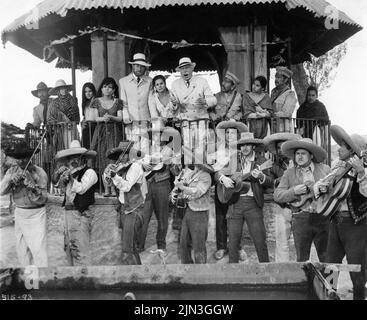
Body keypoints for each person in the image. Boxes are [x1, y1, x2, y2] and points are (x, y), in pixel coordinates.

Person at [314, 125, 367, 300]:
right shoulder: (338, 167)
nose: (339, 148)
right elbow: (322, 184)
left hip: (356, 224)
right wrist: (321, 188)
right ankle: (330, 294)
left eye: (343, 146)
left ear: (352, 150)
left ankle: (359, 296)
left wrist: (361, 172)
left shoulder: (363, 169)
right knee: (331, 263)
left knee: (356, 265)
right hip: (335, 221)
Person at [274, 138, 331, 262]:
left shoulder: (325, 169)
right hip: (301, 218)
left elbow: (335, 192)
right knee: (301, 259)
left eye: (303, 153)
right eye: (297, 154)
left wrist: (327, 189)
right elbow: (277, 195)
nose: (299, 157)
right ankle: (305, 282)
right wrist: (293, 191)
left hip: (323, 217)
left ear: (311, 155)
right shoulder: (289, 173)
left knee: (327, 257)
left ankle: (329, 282)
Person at [219, 132, 273, 263]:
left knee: (260, 241)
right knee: (233, 243)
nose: (245, 148)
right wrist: (223, 178)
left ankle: (266, 274)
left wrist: (261, 177)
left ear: (253, 146)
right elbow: (218, 172)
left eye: (248, 144)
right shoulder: (233, 159)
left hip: (253, 204)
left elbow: (270, 182)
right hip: (234, 204)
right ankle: (233, 275)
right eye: (242, 145)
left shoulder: (262, 161)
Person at [0, 141, 48, 267]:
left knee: (39, 250)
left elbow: (43, 199)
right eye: (18, 158)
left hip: (36, 214)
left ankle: (42, 282)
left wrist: (33, 186)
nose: (21, 162)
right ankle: (29, 282)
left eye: (24, 158)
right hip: (20, 213)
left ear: (30, 157)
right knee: (23, 251)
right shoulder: (11, 171)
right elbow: (1, 191)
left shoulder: (39, 172)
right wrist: (10, 180)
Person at [52, 140, 98, 266]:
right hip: (68, 213)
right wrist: (59, 174)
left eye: (77, 157)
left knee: (81, 249)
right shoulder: (69, 173)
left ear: (83, 159)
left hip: (81, 214)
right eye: (71, 158)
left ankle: (85, 278)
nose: (73, 161)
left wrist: (70, 178)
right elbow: (57, 185)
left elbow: (81, 189)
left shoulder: (90, 172)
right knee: (69, 248)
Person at [138, 127, 181, 255]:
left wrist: (173, 165)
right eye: (155, 135)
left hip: (163, 184)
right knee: (143, 216)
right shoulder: (146, 150)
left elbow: (176, 172)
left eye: (161, 135)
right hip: (147, 185)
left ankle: (161, 245)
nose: (158, 138)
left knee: (162, 218)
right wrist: (142, 165)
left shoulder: (171, 150)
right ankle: (139, 245)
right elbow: (136, 164)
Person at [212, 120, 249, 261]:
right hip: (221, 187)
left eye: (233, 133)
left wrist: (236, 178)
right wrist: (221, 177)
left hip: (237, 187)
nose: (230, 135)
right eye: (227, 133)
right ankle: (221, 246)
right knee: (221, 217)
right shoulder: (218, 151)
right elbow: (213, 170)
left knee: (237, 217)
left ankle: (238, 247)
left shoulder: (242, 151)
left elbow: (245, 170)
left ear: (237, 134)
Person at [107, 141, 148, 265]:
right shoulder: (121, 168)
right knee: (130, 247)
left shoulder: (135, 167)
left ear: (130, 155)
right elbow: (110, 183)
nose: (120, 158)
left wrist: (114, 176)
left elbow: (126, 186)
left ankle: (136, 279)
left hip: (135, 210)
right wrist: (108, 174)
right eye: (119, 156)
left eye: (123, 155)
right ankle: (138, 277)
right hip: (125, 209)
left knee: (128, 248)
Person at [263, 132, 301, 262]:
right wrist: (284, 179)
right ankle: (282, 273)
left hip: (301, 207)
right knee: (281, 243)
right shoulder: (273, 166)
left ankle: (301, 274)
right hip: (282, 207)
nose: (281, 150)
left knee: (300, 244)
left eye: (283, 146)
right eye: (278, 147)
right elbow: (271, 186)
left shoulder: (300, 162)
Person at [171, 57, 217, 163]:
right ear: (179, 71)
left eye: (187, 68)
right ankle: (188, 174)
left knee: (201, 147)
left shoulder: (202, 81)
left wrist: (205, 101)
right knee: (187, 148)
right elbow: (173, 107)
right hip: (186, 121)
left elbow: (213, 100)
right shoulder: (175, 84)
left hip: (201, 119)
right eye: (182, 69)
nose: (185, 71)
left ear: (192, 69)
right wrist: (173, 103)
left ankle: (201, 174)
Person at [170, 153, 213, 264]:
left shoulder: (205, 176)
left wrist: (182, 188)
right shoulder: (190, 172)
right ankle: (187, 267)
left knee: (199, 245)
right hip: (188, 210)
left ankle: (200, 271)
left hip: (199, 213)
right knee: (184, 243)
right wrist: (174, 193)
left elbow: (197, 192)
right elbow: (179, 185)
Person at [90, 77, 124, 197]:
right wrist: (103, 119)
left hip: (114, 131)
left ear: (113, 89)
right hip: (101, 132)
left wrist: (111, 117)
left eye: (110, 87)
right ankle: (106, 188)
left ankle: (114, 188)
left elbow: (120, 118)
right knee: (102, 158)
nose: (107, 89)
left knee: (113, 159)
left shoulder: (118, 102)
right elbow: (94, 118)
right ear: (102, 88)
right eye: (105, 86)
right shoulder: (96, 101)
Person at [120, 53, 152, 150]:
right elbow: (123, 102)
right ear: (132, 66)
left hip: (145, 120)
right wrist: (126, 116)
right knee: (132, 148)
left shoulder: (150, 81)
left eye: (142, 66)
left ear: (145, 68)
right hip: (131, 121)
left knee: (145, 148)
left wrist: (153, 118)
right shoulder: (123, 81)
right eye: (137, 65)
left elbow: (151, 101)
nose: (139, 68)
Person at [47, 79, 80, 150]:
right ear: (57, 90)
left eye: (64, 88)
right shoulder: (53, 103)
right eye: (61, 89)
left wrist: (71, 122)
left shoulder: (73, 100)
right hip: (60, 130)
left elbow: (77, 117)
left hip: (72, 129)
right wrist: (59, 122)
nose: (63, 90)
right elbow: (49, 119)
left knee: (74, 149)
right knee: (62, 150)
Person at [271, 67, 297, 133]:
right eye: (275, 77)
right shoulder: (273, 92)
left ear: (285, 80)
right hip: (273, 126)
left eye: (279, 77)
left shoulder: (290, 93)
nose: (276, 80)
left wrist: (272, 114)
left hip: (284, 127)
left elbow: (286, 113)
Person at [81, 82, 98, 149]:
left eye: (90, 91)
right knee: (85, 150)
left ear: (93, 91)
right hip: (86, 129)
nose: (88, 93)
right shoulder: (85, 104)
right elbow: (85, 117)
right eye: (85, 92)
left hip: (96, 127)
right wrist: (82, 123)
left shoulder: (98, 101)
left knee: (94, 149)